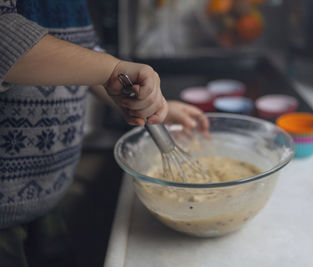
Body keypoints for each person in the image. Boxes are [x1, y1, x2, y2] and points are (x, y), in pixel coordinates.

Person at [0, 1, 209, 266]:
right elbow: (6, 39)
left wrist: (152, 105)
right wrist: (112, 68)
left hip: (48, 192)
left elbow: (83, 59)